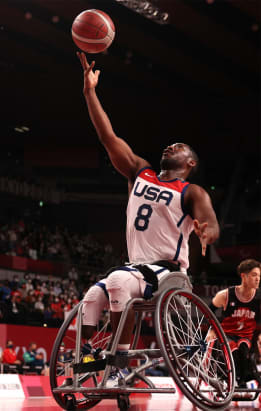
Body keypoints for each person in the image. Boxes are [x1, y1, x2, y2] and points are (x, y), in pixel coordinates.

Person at [77, 52, 220, 384]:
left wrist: (205, 232)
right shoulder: (140, 172)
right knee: (91, 298)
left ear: (191, 162)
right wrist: (89, 92)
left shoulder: (192, 191)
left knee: (116, 282)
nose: (170, 147)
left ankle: (120, 362)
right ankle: (87, 356)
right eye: (170, 144)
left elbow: (210, 223)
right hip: (135, 267)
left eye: (179, 146)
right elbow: (107, 136)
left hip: (169, 272)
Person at [210, 259, 261, 388]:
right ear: (244, 276)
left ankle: (242, 382)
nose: (258, 279)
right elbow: (209, 311)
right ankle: (229, 380)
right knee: (232, 349)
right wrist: (212, 329)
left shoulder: (258, 297)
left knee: (243, 349)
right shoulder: (226, 295)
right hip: (226, 334)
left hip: (245, 335)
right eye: (254, 275)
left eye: (259, 276)